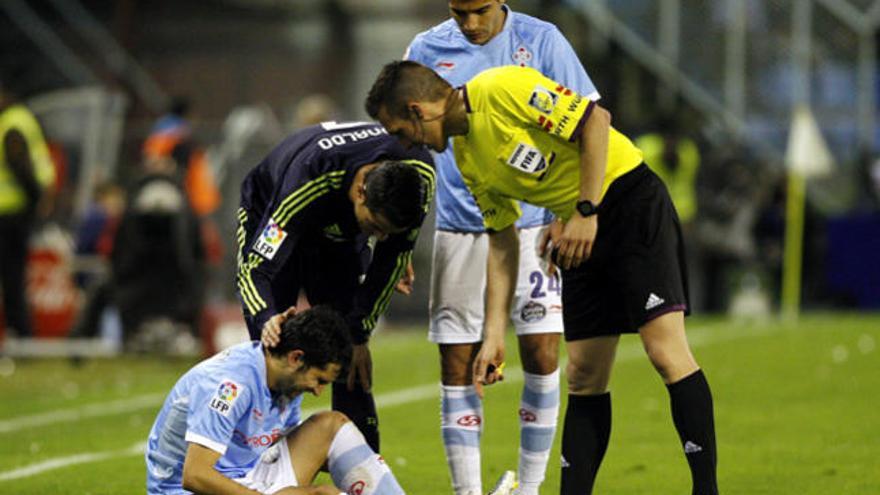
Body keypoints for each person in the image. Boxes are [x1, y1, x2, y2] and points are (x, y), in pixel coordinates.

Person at [366, 62, 719, 495]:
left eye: (399, 130)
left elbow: (596, 122)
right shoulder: (466, 157)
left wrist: (586, 210)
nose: (403, 142)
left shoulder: (501, 88)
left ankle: (706, 489)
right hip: (576, 230)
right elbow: (501, 241)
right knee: (585, 376)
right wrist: (494, 332)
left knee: (665, 352)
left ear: (418, 110)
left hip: (628, 202)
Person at [401, 2, 599, 494]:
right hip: (459, 226)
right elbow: (405, 148)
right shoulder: (425, 49)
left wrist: (569, 210)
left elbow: (586, 122)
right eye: (459, 12)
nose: (470, 24)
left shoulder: (543, 41)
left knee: (541, 349)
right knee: (456, 361)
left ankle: (529, 488)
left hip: (533, 225)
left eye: (480, 11)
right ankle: (468, 492)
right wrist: (400, 239)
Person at [239, 121, 434, 454]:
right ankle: (258, 473)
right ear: (361, 191)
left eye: (387, 232)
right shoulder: (307, 179)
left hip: (338, 237)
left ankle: (365, 477)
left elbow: (392, 258)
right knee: (276, 355)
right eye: (375, 227)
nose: (379, 238)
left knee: (350, 357)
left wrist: (360, 334)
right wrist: (266, 318)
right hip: (272, 211)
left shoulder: (418, 176)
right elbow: (258, 270)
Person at [145, 305, 408, 494]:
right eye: (319, 380)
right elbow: (195, 475)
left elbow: (277, 449)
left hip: (246, 475)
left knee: (331, 426)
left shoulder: (285, 382)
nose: (318, 391)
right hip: (191, 489)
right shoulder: (231, 385)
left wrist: (354, 465)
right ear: (296, 358)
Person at [0, 81, 55, 339]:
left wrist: (34, 199)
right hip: (14, 212)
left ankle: (19, 333)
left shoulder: (12, 123)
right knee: (14, 277)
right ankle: (20, 333)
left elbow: (19, 164)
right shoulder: (21, 120)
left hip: (11, 213)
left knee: (12, 278)